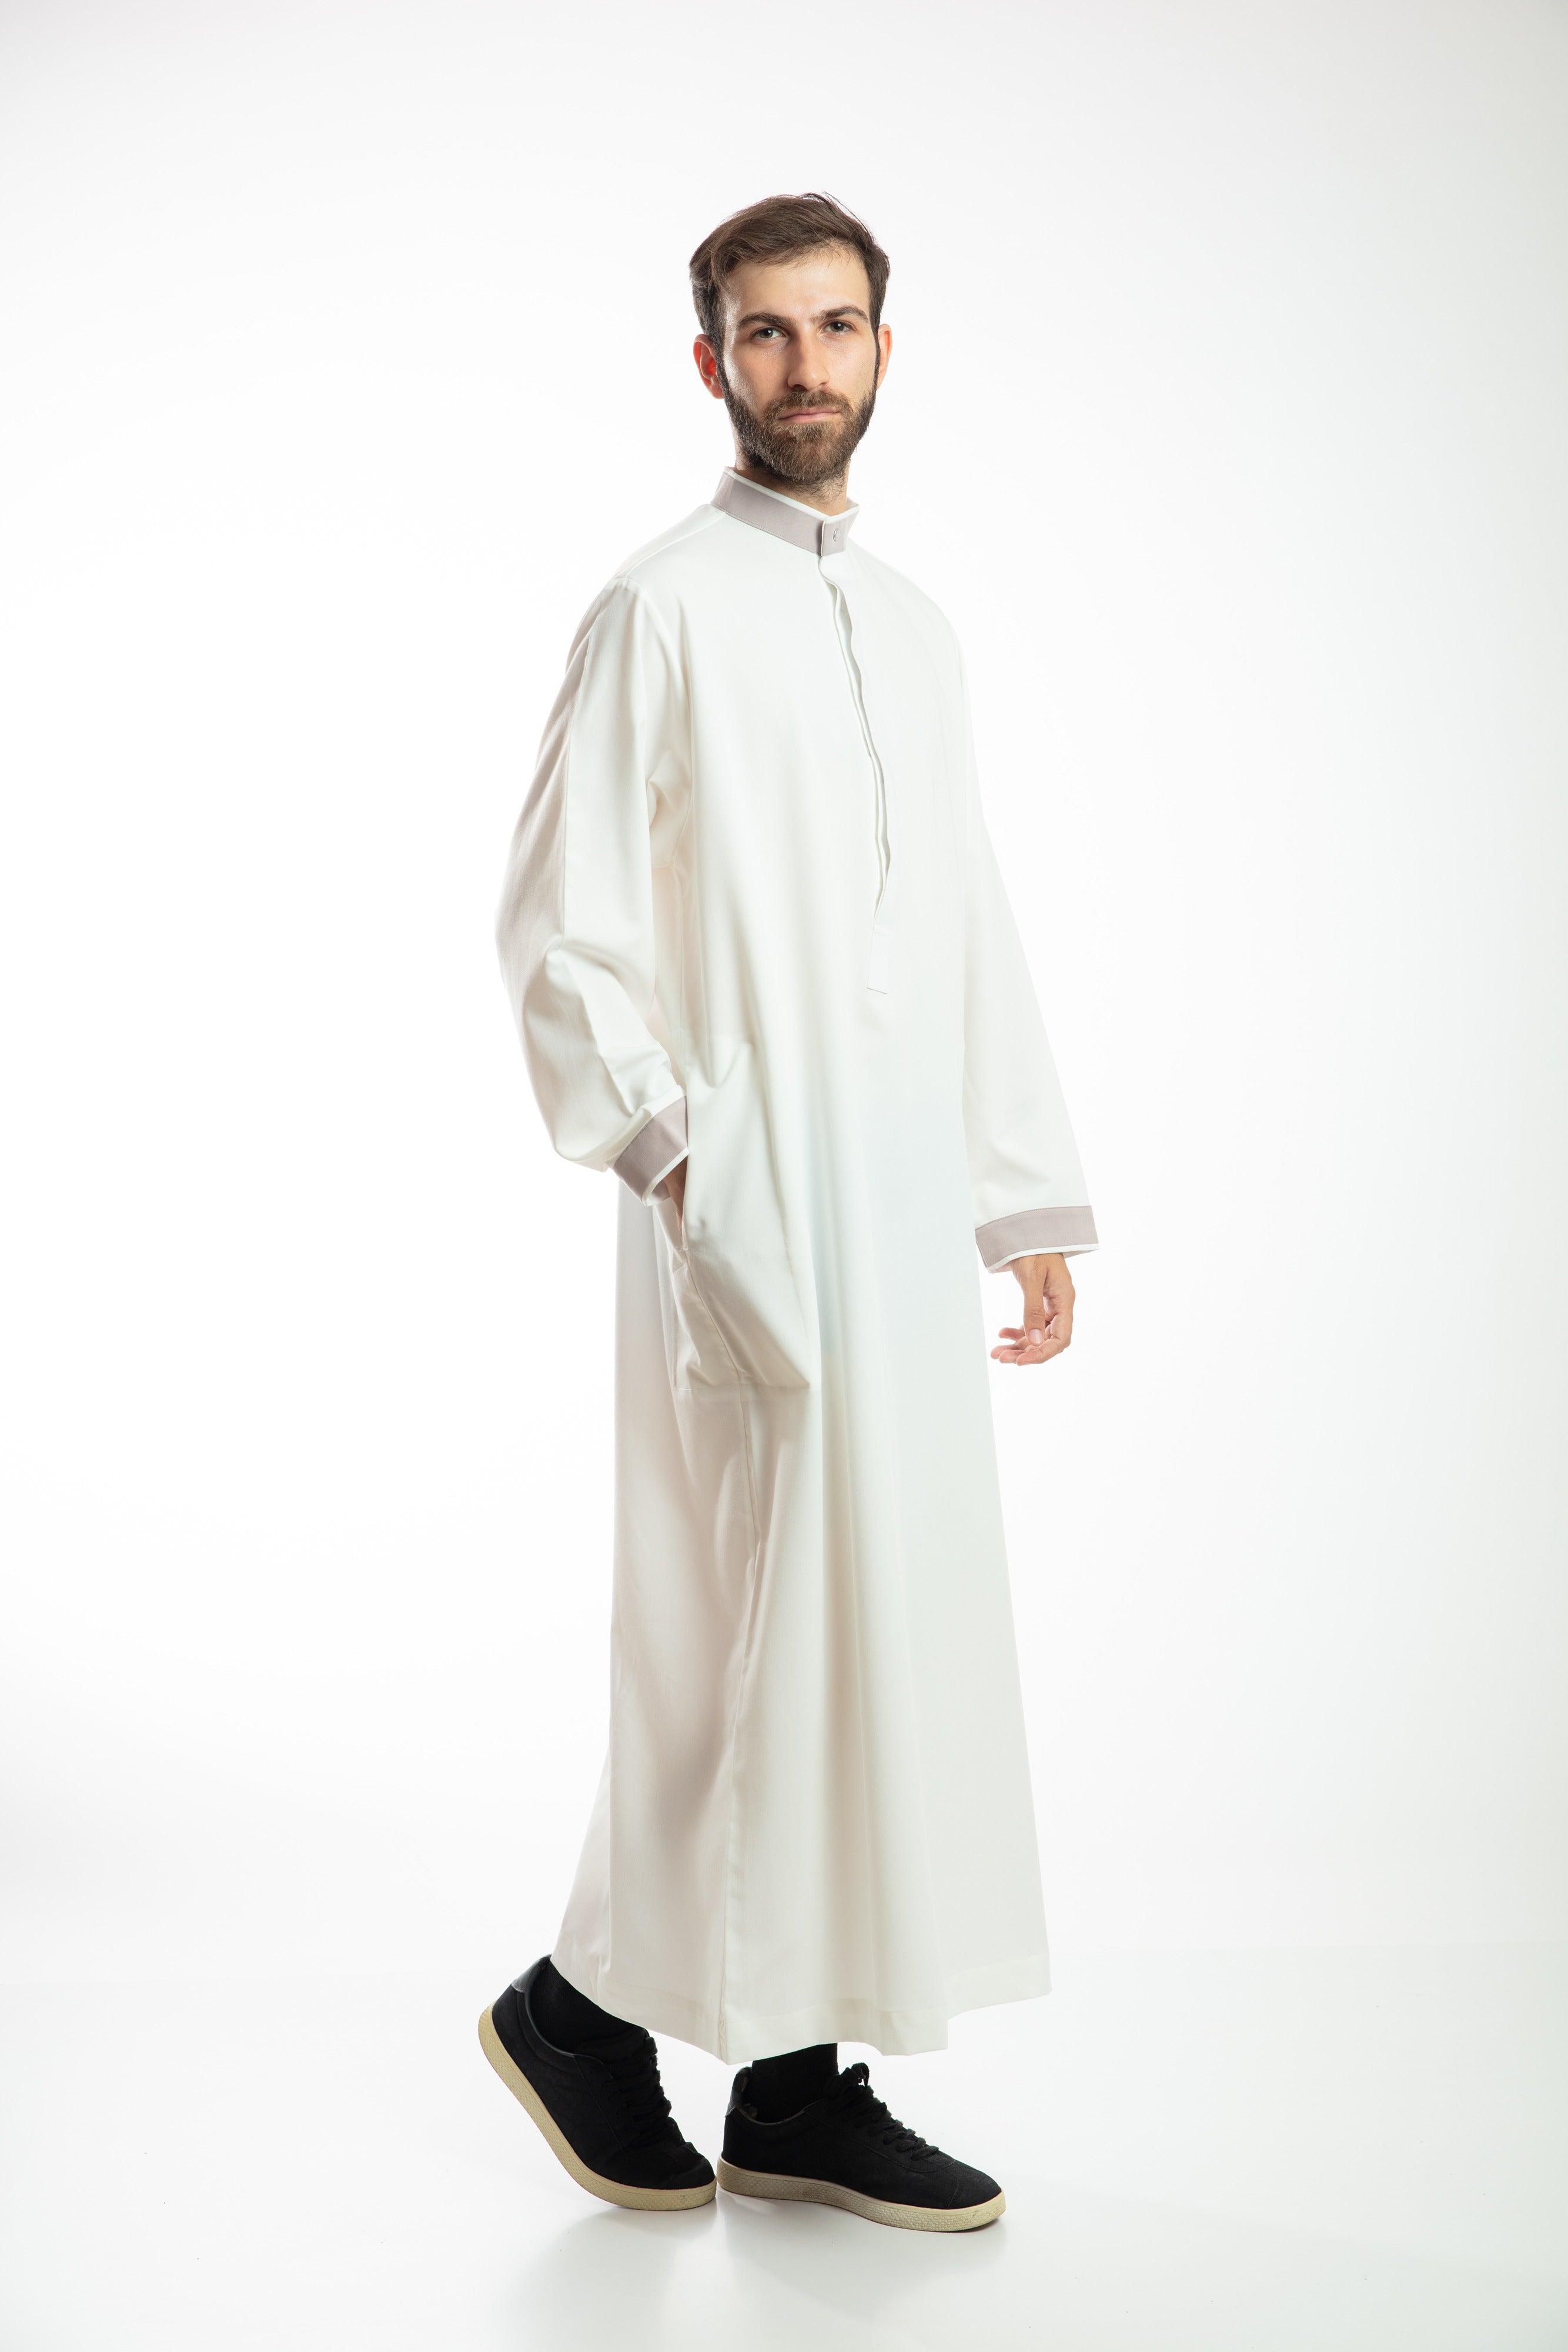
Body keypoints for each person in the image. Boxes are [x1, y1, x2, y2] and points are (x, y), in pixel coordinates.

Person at [483, 192, 1097, 2233]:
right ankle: (579, 2008)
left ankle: (797, 2085)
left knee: (870, 1637)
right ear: (710, 364)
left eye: (836, 329)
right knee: (738, 1635)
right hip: (745, 1201)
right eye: (764, 335)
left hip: (901, 1197)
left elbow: (965, 922)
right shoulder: (657, 608)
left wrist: (1020, 1195)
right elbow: (559, 930)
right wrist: (683, 1161)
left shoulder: (908, 627)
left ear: (884, 351)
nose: (804, 367)